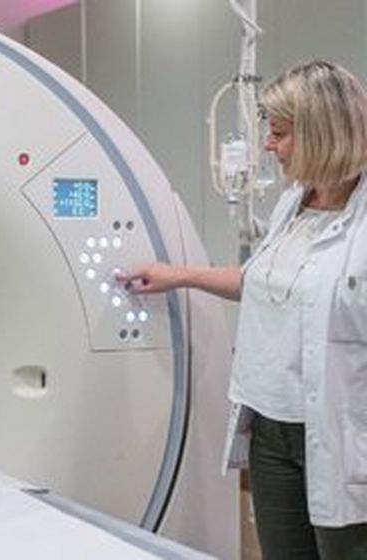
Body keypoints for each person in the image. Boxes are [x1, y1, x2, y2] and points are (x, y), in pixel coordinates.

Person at [119, 60, 367, 559]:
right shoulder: (293, 206)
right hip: (271, 431)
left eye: (279, 133)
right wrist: (179, 274)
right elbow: (261, 284)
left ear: (321, 134)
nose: (268, 146)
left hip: (342, 433)